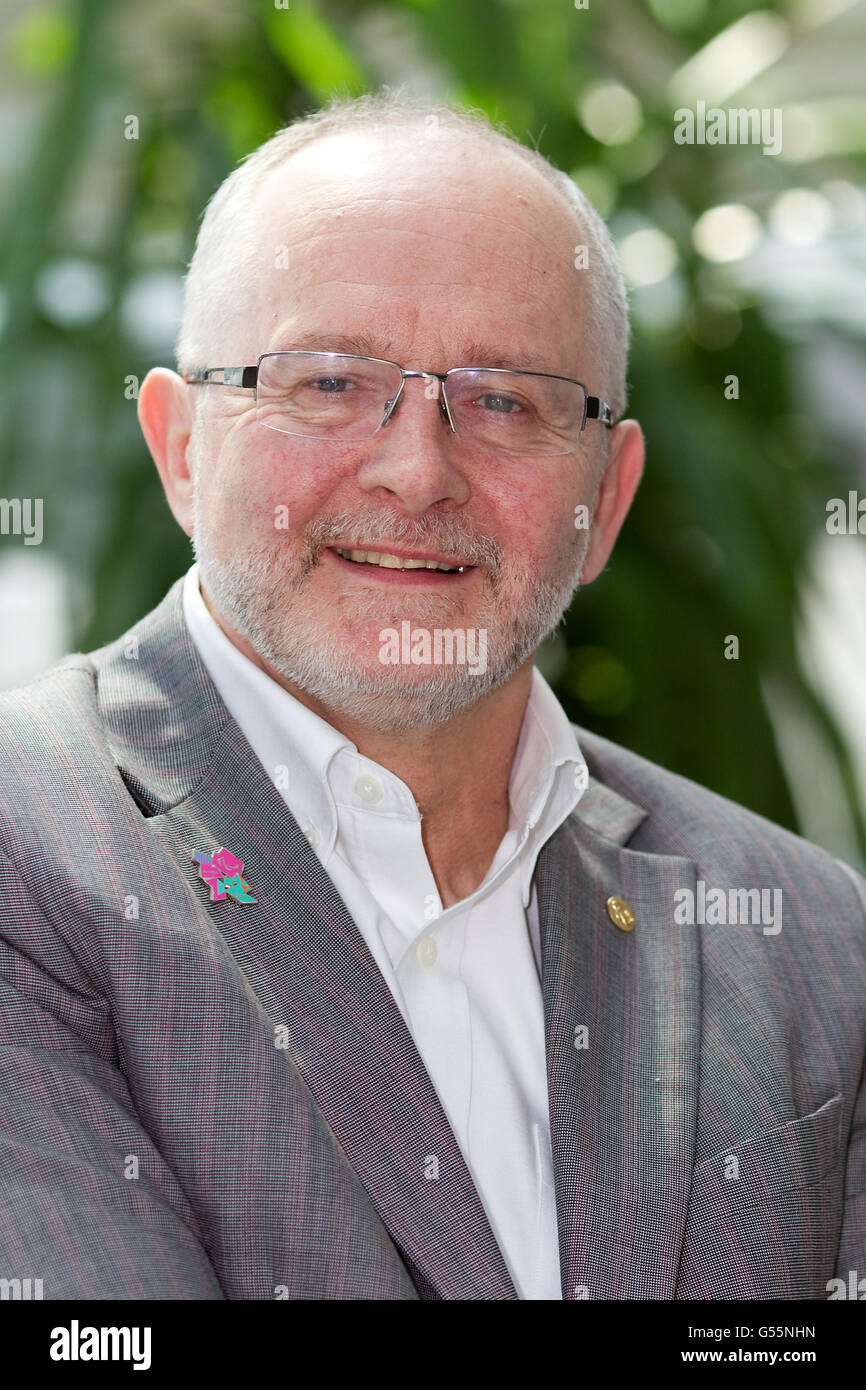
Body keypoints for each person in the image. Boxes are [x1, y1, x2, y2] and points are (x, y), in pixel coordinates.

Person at [0, 91, 863, 1302]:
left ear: (604, 501)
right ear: (182, 444)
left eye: (505, 400)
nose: (416, 470)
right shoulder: (28, 860)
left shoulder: (812, 935)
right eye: (330, 381)